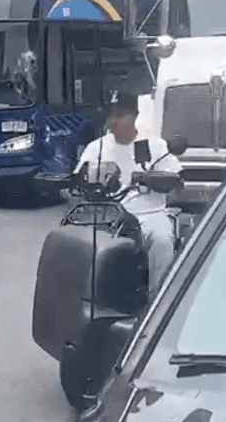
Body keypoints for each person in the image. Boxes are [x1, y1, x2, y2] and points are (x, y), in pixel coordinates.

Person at [75, 91, 183, 300]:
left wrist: (150, 178)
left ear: (135, 116)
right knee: (79, 244)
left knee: (162, 239)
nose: (115, 121)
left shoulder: (156, 146)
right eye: (112, 115)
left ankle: (158, 302)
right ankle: (84, 301)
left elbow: (175, 179)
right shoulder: (95, 148)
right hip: (107, 215)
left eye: (121, 115)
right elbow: (78, 181)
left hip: (148, 213)